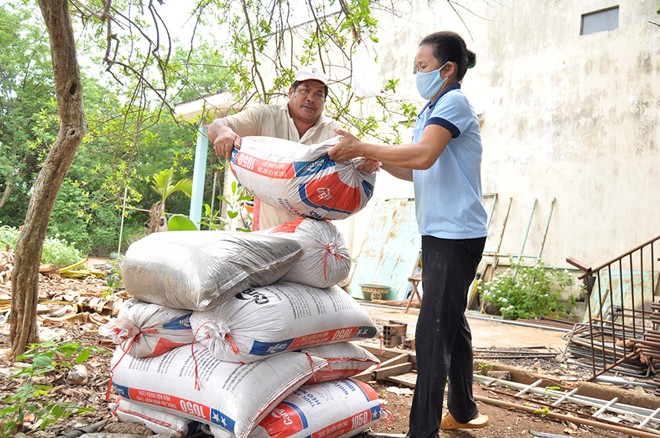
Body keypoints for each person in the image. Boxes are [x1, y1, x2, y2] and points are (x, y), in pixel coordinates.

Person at [328, 31, 489, 436]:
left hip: (455, 235)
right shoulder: (432, 109)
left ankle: (422, 431)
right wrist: (373, 159)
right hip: (440, 232)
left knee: (432, 334)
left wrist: (369, 145)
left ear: (447, 69)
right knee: (451, 320)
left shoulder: (453, 102)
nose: (417, 74)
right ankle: (465, 410)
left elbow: (422, 154)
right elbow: (416, 166)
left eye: (422, 67)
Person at [207, 67, 339, 230]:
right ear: (291, 92)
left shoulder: (333, 131)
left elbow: (353, 157)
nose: (311, 98)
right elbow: (216, 126)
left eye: (319, 94)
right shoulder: (265, 115)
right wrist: (224, 132)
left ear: (324, 101)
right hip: (267, 232)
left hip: (313, 236)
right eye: (305, 90)